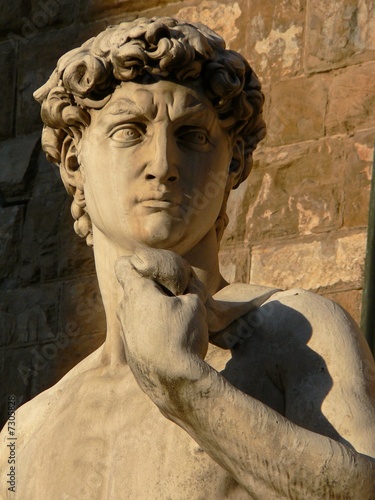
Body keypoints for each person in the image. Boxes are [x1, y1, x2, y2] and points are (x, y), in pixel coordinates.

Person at [1, 17, 374, 499]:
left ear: (234, 160)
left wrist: (187, 386)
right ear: (74, 160)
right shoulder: (23, 433)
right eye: (130, 131)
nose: (162, 166)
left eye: (192, 136)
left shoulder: (293, 333)